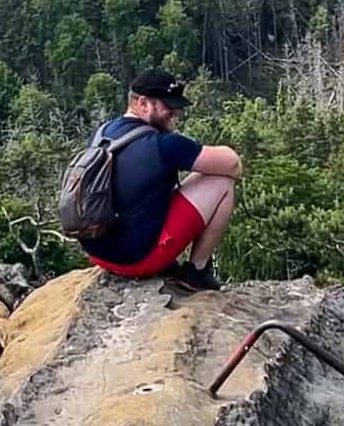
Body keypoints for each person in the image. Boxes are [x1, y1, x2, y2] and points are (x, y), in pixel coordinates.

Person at [85, 69, 242, 292]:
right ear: (143, 103)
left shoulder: (104, 132)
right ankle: (196, 272)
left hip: (98, 252)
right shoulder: (164, 144)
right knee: (221, 181)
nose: (175, 112)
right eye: (168, 105)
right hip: (135, 261)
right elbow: (233, 165)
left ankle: (171, 264)